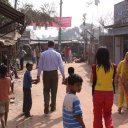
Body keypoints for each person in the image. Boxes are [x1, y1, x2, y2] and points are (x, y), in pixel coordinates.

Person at [37, 40, 65, 114]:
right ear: (54, 45)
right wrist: (63, 75)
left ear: (47, 45)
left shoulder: (43, 54)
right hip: (54, 74)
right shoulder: (57, 54)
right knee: (54, 90)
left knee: (46, 90)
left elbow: (39, 65)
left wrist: (38, 75)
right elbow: (61, 65)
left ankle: (46, 104)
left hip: (46, 74)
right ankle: (52, 106)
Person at [90, 47, 116, 128]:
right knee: (108, 113)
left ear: (97, 56)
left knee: (97, 114)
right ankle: (110, 126)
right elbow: (115, 81)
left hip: (98, 93)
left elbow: (91, 80)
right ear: (108, 56)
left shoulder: (95, 67)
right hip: (109, 93)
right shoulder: (113, 67)